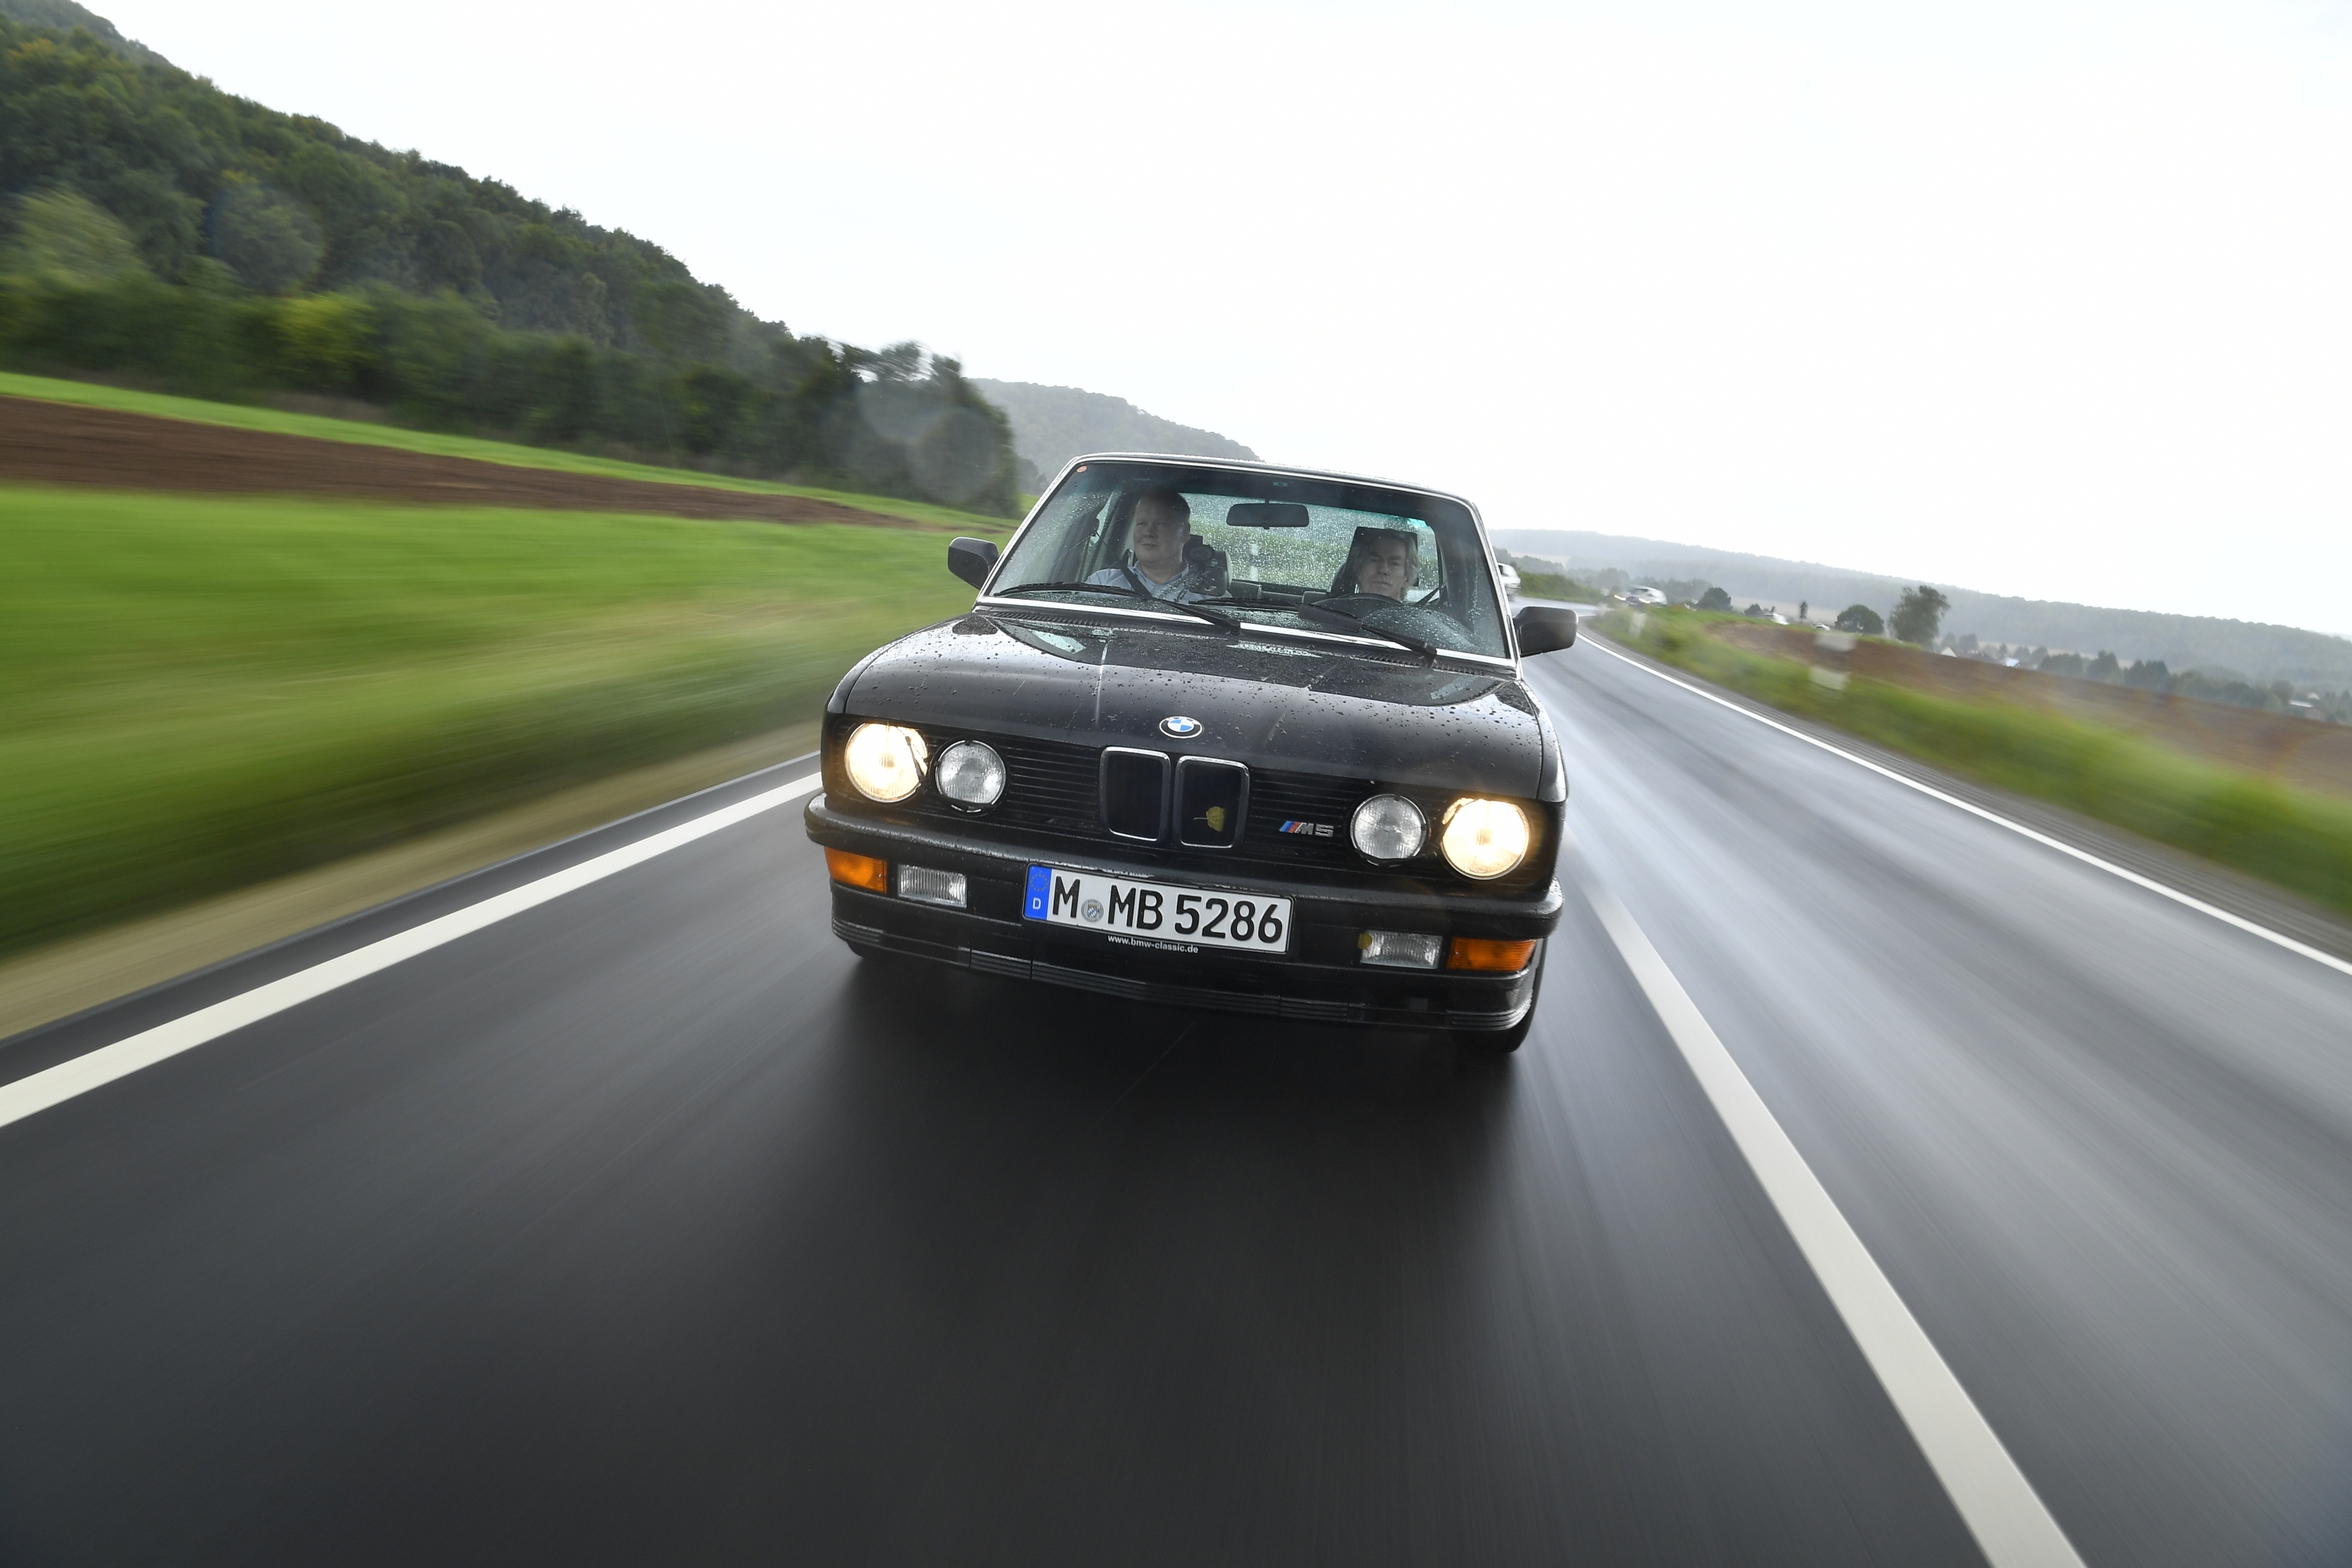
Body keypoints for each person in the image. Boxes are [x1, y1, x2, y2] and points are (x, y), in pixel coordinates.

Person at [1087, 486, 1219, 602]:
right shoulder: (1101, 584)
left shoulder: (1213, 597)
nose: (1148, 532)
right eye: (1142, 523)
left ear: (1185, 532)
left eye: (1161, 524)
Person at [1333, 526, 1421, 601]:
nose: (1383, 570)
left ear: (1407, 578)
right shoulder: (1331, 613)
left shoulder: (1413, 616)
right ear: (1358, 570)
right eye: (1374, 560)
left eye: (1394, 563)